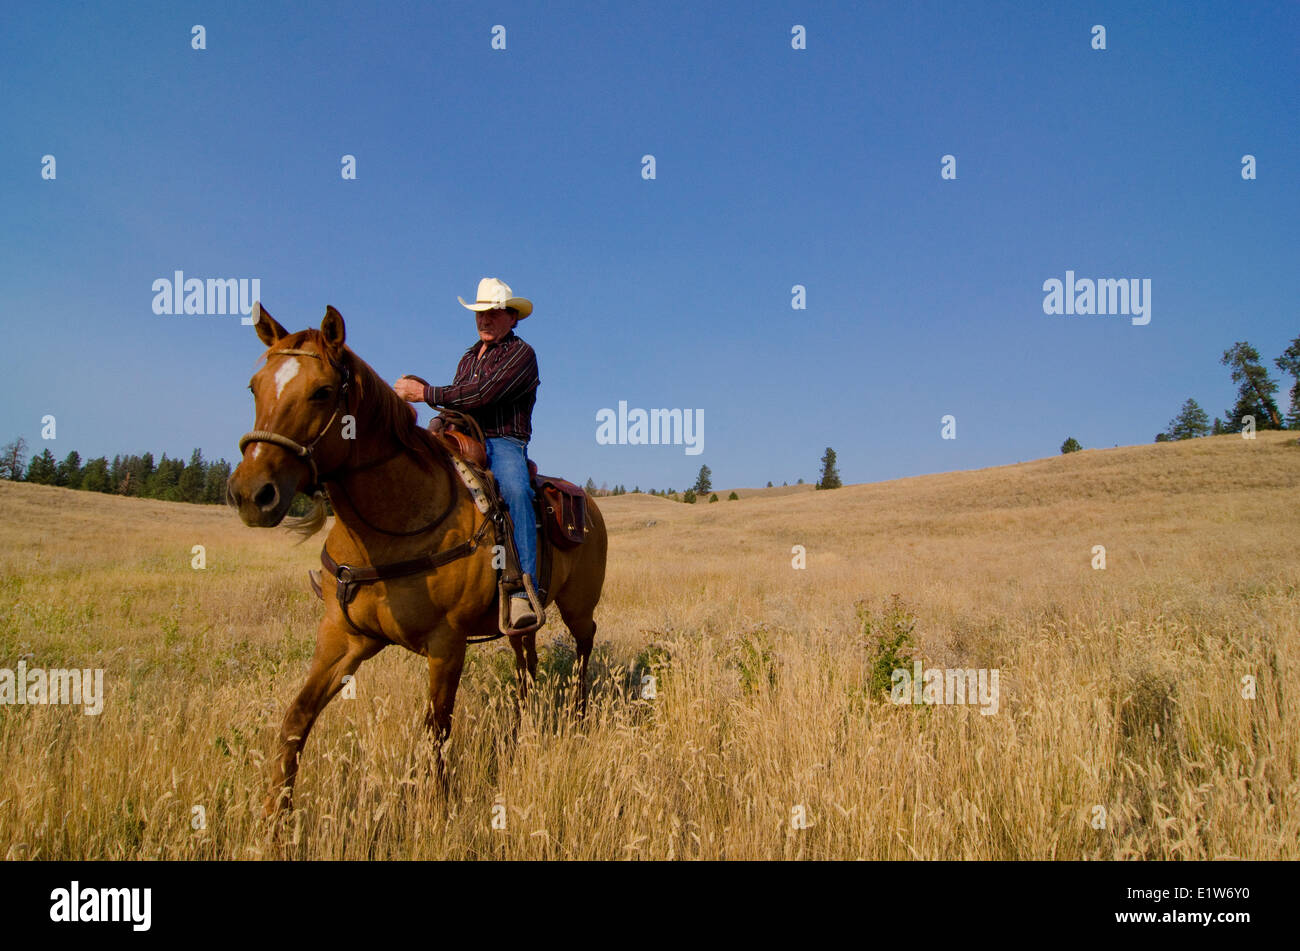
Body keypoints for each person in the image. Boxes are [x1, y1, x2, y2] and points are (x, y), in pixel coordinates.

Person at [393, 278, 541, 630]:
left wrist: (425, 392)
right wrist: (439, 422)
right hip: (463, 436)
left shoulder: (522, 355)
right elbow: (462, 400)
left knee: (517, 490)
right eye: (479, 314)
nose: (484, 320)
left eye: (492, 313)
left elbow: (482, 395)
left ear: (510, 317)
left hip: (504, 441)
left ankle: (524, 591)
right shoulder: (468, 357)